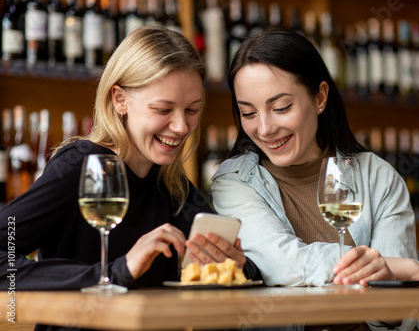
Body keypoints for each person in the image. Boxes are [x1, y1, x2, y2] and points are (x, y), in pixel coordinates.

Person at [211, 28, 419, 331]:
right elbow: (283, 264)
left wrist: (391, 283)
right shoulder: (234, 182)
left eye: (281, 108)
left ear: (320, 97)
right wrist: (403, 267)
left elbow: (398, 314)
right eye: (248, 113)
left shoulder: (378, 178)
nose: (264, 128)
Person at [0, 26, 259, 300]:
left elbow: (248, 274)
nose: (181, 126)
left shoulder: (170, 185)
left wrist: (238, 265)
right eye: (163, 109)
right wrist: (117, 272)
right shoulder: (79, 167)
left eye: (192, 110)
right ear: (120, 100)